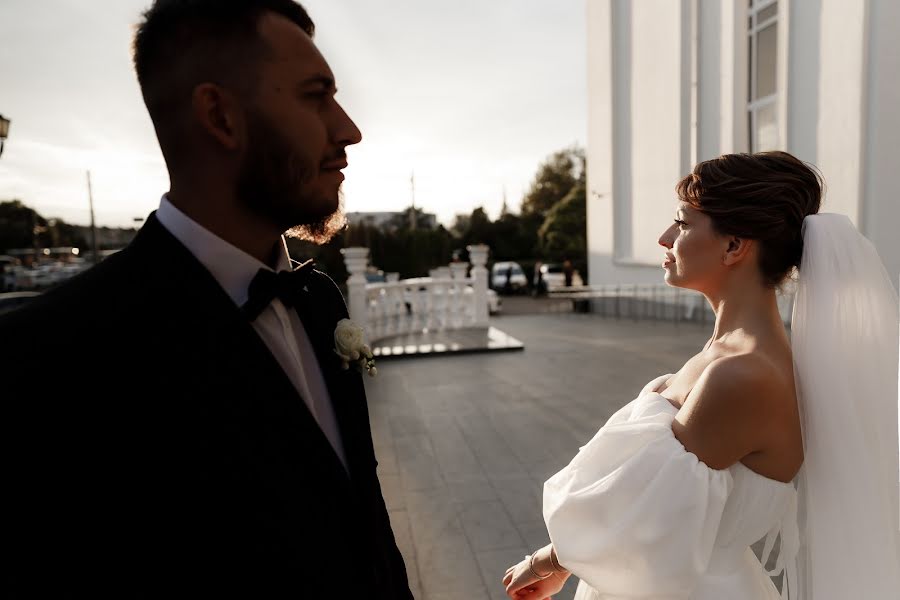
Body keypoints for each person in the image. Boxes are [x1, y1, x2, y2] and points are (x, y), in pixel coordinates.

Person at [2, 1, 412, 597]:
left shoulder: (320, 300)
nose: (348, 128)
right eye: (314, 95)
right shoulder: (48, 358)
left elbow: (360, 522)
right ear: (220, 116)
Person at [503, 151, 900, 599]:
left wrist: (548, 561)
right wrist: (566, 558)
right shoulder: (727, 353)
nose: (664, 237)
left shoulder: (744, 373)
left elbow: (646, 515)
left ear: (734, 246)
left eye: (683, 223)